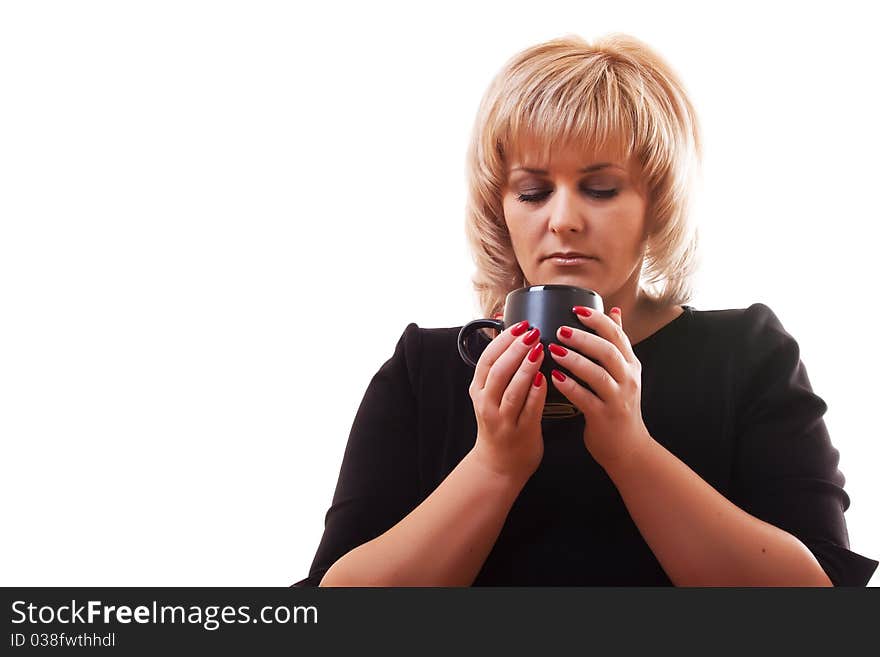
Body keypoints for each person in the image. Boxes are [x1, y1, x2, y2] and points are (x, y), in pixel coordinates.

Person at [293, 33, 878, 586]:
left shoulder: (747, 354)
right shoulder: (425, 367)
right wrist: (495, 465)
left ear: (657, 202)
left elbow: (818, 604)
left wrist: (630, 451)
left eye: (600, 189)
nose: (564, 219)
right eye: (532, 191)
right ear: (501, 209)